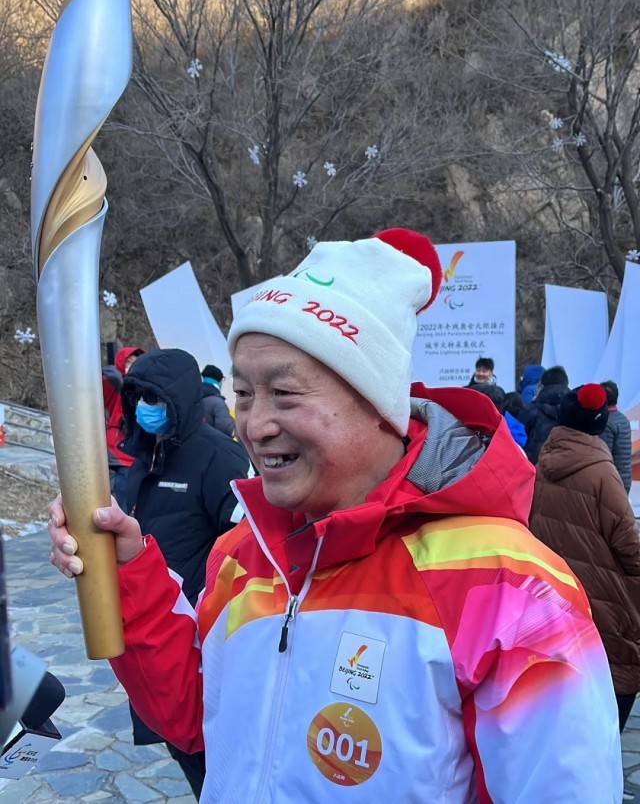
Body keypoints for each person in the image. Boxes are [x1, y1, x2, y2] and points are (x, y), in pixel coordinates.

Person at [50, 229, 622, 802]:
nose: (255, 425)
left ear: (376, 402)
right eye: (243, 393)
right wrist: (128, 572)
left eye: (285, 393)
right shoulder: (243, 555)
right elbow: (196, 716)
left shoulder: (510, 586)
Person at [118, 347, 250, 799]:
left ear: (179, 399)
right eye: (137, 398)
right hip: (157, 630)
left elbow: (245, 549)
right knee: (180, 745)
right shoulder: (146, 456)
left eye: (154, 398)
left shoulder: (219, 457)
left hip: (199, 635)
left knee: (214, 763)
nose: (144, 408)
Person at [529, 384, 640, 787]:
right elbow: (628, 543)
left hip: (554, 588)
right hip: (600, 591)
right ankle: (600, 777)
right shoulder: (600, 471)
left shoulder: (545, 458)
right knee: (618, 673)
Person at [102, 346, 143, 508]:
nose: (132, 365)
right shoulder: (116, 384)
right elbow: (105, 383)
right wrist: (111, 373)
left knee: (124, 504)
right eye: (128, 361)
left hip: (132, 454)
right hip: (114, 451)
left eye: (136, 362)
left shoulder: (141, 389)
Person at [520, 364, 569, 464]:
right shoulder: (576, 411)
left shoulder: (531, 410)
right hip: (567, 467)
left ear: (542, 385)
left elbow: (515, 439)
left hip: (534, 466)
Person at [600, 380, 633, 494]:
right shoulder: (623, 419)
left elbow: (603, 456)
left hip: (612, 482)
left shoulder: (606, 422)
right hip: (624, 478)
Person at [200, 364, 236, 437]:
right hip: (210, 442)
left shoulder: (192, 396)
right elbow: (226, 430)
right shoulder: (217, 402)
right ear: (219, 381)